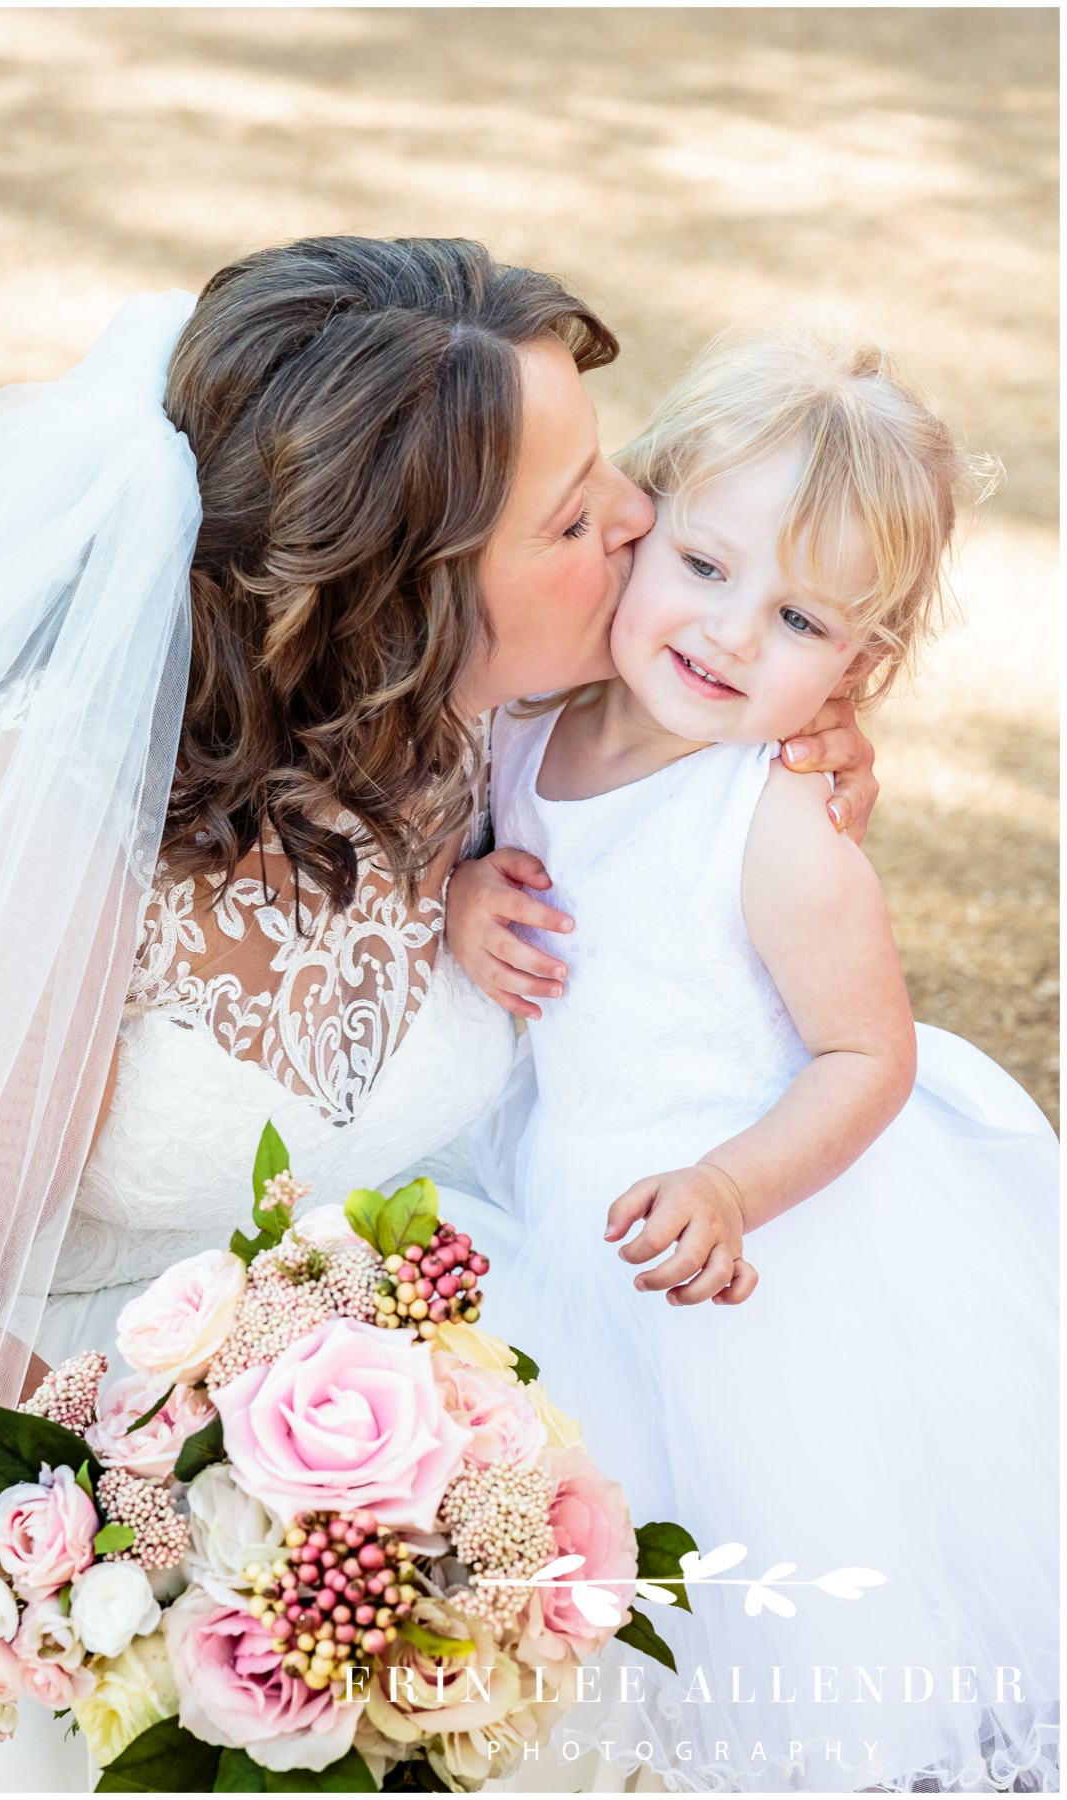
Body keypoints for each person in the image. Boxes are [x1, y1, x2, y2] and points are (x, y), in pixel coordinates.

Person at [0, 238, 882, 1790]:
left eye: (612, 474)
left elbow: (761, 661)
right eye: (573, 514)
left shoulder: (498, 715)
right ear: (407, 606)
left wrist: (827, 750)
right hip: (110, 1515)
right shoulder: (63, 828)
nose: (640, 522)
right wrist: (241, 1544)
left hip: (434, 1437)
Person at [437, 322, 1055, 1791]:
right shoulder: (525, 728)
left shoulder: (772, 826)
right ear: (639, 519)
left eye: (801, 622)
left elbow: (865, 1057)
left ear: (865, 660)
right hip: (563, 1189)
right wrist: (466, 897)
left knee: (755, 1591)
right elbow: (474, 852)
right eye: (708, 570)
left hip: (750, 1234)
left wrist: (730, 1185)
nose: (728, 636)